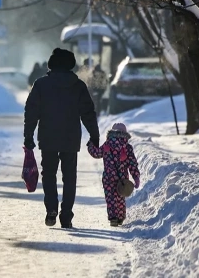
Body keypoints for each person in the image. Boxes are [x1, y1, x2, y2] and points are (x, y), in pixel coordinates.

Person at [24, 48, 99, 228]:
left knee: (49, 174)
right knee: (69, 176)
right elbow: (88, 112)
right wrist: (94, 135)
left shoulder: (41, 84)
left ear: (52, 64)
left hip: (48, 136)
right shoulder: (78, 86)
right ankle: (66, 215)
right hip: (70, 138)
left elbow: (32, 111)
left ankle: (51, 208)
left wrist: (28, 136)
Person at [86, 122, 140, 227]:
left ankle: (113, 218)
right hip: (122, 179)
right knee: (120, 198)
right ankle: (120, 217)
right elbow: (132, 164)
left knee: (110, 198)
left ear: (111, 133)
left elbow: (96, 153)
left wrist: (90, 145)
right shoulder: (127, 148)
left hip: (108, 178)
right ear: (125, 134)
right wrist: (136, 177)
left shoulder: (107, 145)